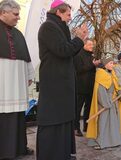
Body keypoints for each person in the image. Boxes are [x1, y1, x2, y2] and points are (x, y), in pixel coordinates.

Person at [37, 0, 88, 160]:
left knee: (64, 120)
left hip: (62, 84)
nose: (70, 17)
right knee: (53, 120)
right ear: (58, 12)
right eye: (68, 13)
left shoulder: (60, 27)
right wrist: (79, 38)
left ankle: (63, 153)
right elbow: (63, 50)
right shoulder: (48, 27)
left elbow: (68, 52)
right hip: (54, 83)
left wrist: (79, 39)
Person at [0, 0, 34, 159]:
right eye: (15, 14)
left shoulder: (18, 33)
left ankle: (20, 147)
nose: (18, 18)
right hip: (3, 85)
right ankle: (5, 152)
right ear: (3, 12)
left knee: (19, 116)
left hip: (18, 84)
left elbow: (26, 58)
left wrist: (29, 74)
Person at [86, 55, 121, 149]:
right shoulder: (101, 74)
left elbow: (116, 86)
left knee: (111, 122)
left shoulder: (111, 74)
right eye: (110, 63)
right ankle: (101, 141)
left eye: (113, 63)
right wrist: (106, 103)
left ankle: (112, 141)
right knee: (103, 122)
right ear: (105, 64)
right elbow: (100, 91)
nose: (112, 65)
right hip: (104, 103)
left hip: (111, 101)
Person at [74, 39, 100, 136]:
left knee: (89, 107)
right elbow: (79, 69)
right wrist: (92, 64)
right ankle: (75, 128)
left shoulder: (91, 55)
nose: (91, 46)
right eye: (89, 44)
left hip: (91, 86)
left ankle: (87, 125)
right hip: (81, 86)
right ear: (84, 45)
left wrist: (98, 64)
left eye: (92, 45)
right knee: (78, 108)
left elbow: (92, 68)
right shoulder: (78, 55)